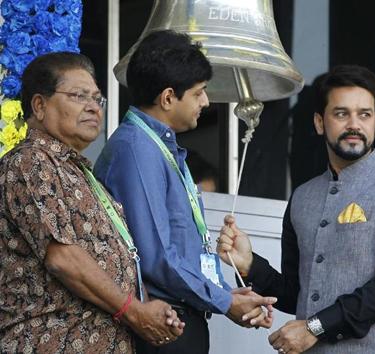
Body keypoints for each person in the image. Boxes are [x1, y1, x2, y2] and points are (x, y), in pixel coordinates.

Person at [217, 65, 375, 353]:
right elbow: (296, 294)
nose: (354, 124)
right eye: (341, 114)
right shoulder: (303, 198)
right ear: (319, 122)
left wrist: (314, 327)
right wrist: (250, 264)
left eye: (364, 115)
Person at [94, 30, 276, 354]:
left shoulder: (160, 146)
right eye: (199, 93)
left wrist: (227, 295)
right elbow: (157, 256)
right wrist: (222, 300)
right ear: (167, 98)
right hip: (160, 326)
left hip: (180, 321)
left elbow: (185, 250)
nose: (206, 103)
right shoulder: (137, 149)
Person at [0, 52, 184, 353]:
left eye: (97, 99)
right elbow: (64, 258)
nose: (92, 107)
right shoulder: (31, 161)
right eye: (78, 95)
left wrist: (148, 307)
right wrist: (135, 312)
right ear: (39, 105)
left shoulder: (81, 173)